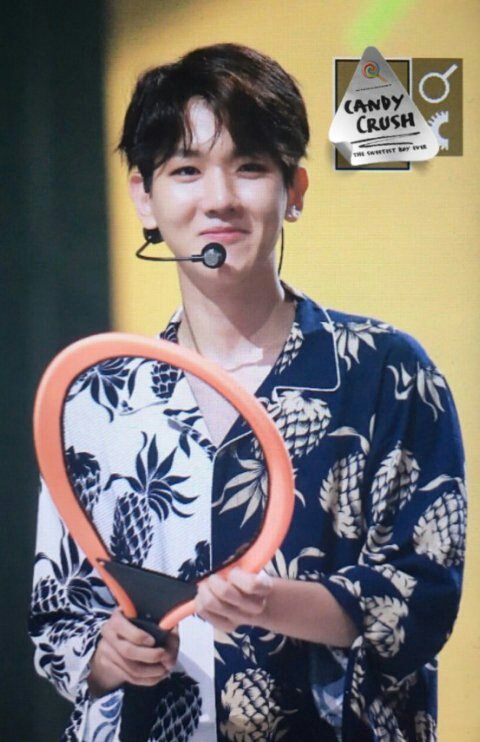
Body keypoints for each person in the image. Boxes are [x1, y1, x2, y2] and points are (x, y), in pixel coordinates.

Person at [29, 43, 466, 741]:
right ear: (144, 195)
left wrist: (269, 602)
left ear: (295, 191)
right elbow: (60, 618)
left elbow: (421, 595)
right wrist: (108, 656)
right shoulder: (97, 396)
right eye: (186, 170)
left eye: (251, 167)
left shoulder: (387, 372)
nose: (220, 198)